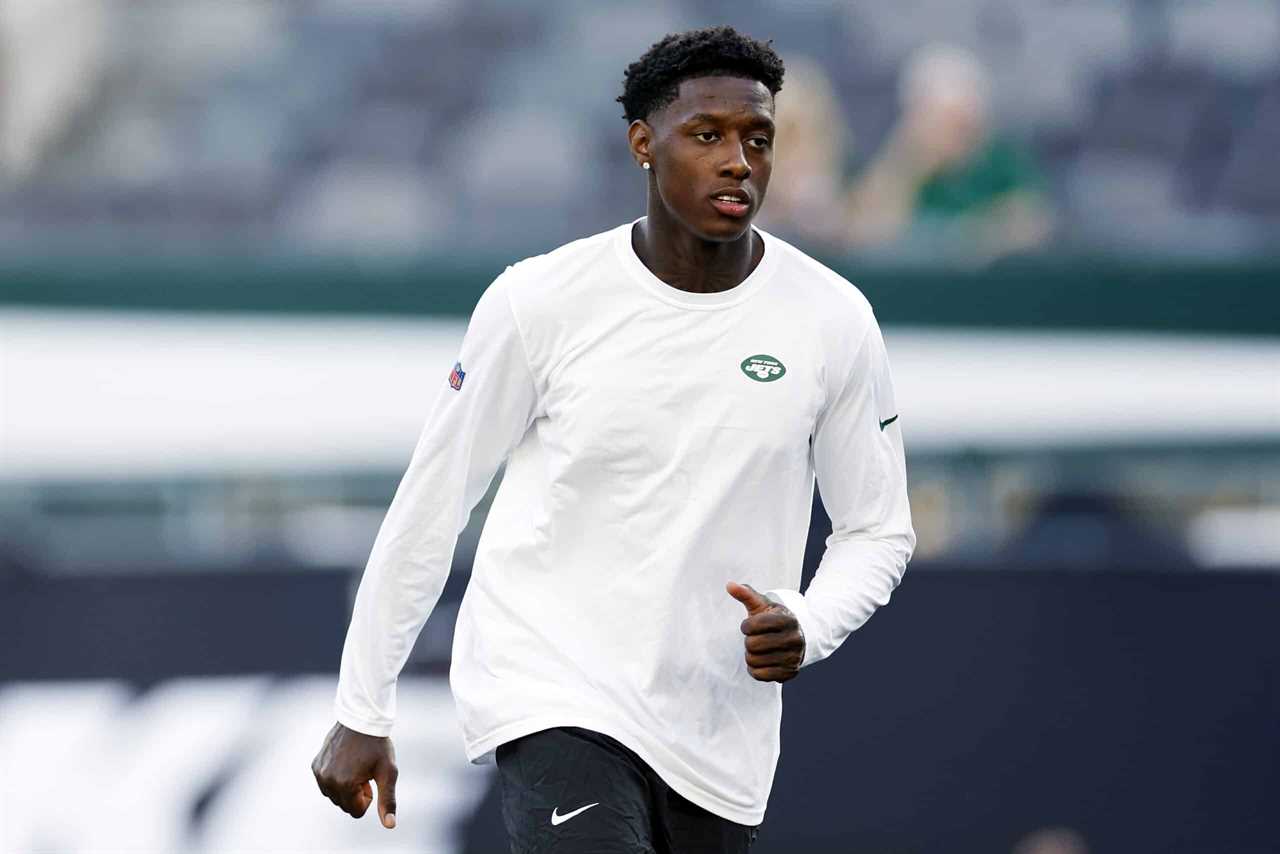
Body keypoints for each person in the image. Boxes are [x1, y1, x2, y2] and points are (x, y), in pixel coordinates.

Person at [311, 25, 915, 854]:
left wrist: (811, 621)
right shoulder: (540, 302)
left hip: (719, 736)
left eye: (758, 139)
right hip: (556, 694)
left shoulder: (833, 319)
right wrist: (361, 706)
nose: (738, 161)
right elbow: (432, 504)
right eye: (707, 136)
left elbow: (878, 529)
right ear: (643, 144)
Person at [845, 43, 1053, 264]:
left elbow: (1033, 221)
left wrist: (973, 236)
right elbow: (864, 232)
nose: (953, 134)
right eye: (941, 120)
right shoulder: (899, 159)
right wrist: (908, 165)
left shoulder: (1001, 160)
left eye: (963, 123)